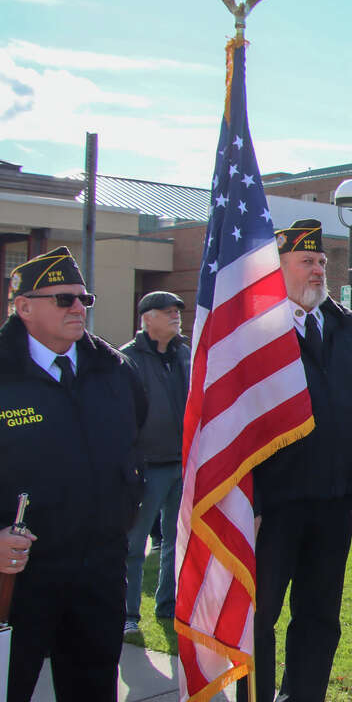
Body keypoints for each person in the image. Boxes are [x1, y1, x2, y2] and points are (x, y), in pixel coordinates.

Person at [237, 220, 352, 702]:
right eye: (306, 261)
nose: (318, 269)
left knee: (320, 616)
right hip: (273, 508)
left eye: (322, 262)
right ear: (276, 271)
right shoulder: (253, 336)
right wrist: (248, 502)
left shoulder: (347, 334)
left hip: (333, 503)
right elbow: (236, 428)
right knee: (259, 616)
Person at [0, 246, 147, 701]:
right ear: (23, 307)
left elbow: (132, 443)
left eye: (85, 299)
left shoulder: (115, 371)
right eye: (63, 299)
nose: (79, 308)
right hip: (19, 571)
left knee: (91, 686)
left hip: (99, 567)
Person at [120, 291, 189, 637]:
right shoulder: (126, 359)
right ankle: (128, 614)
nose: (176, 316)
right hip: (147, 467)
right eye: (167, 312)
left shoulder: (186, 354)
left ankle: (170, 605)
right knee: (134, 544)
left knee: (178, 541)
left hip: (184, 464)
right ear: (147, 318)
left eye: (178, 310)